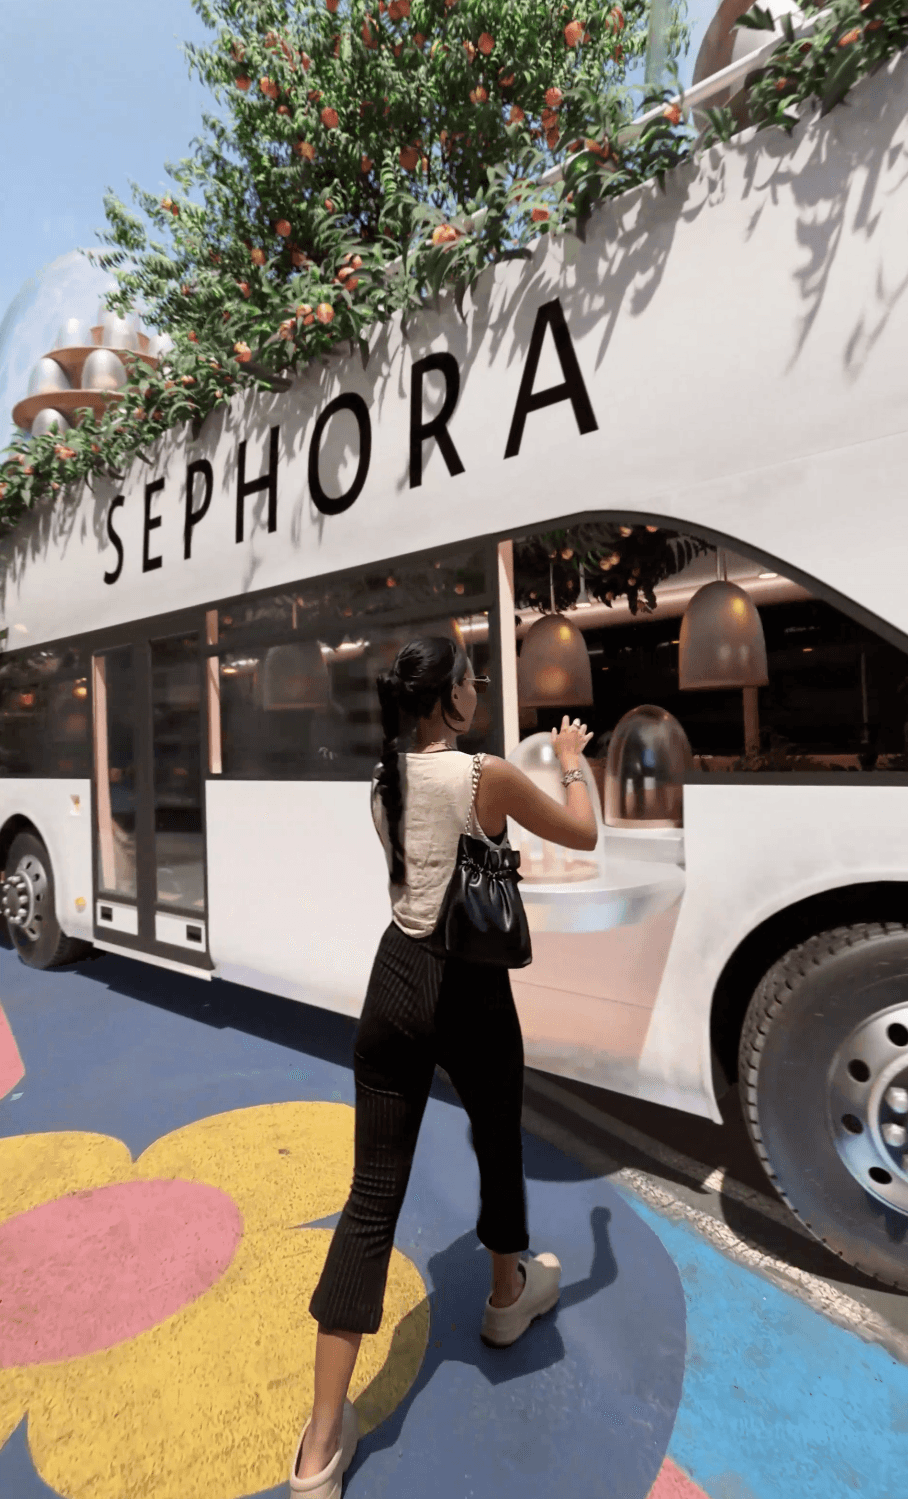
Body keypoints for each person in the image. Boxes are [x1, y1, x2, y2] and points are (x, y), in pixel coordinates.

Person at [290, 634, 597, 1497]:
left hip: (392, 981)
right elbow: (582, 832)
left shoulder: (384, 782)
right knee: (498, 1135)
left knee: (370, 1199)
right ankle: (507, 1296)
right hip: (467, 988)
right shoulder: (481, 776)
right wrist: (574, 762)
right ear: (453, 700)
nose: (478, 692)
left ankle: (318, 1448)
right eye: (472, 681)